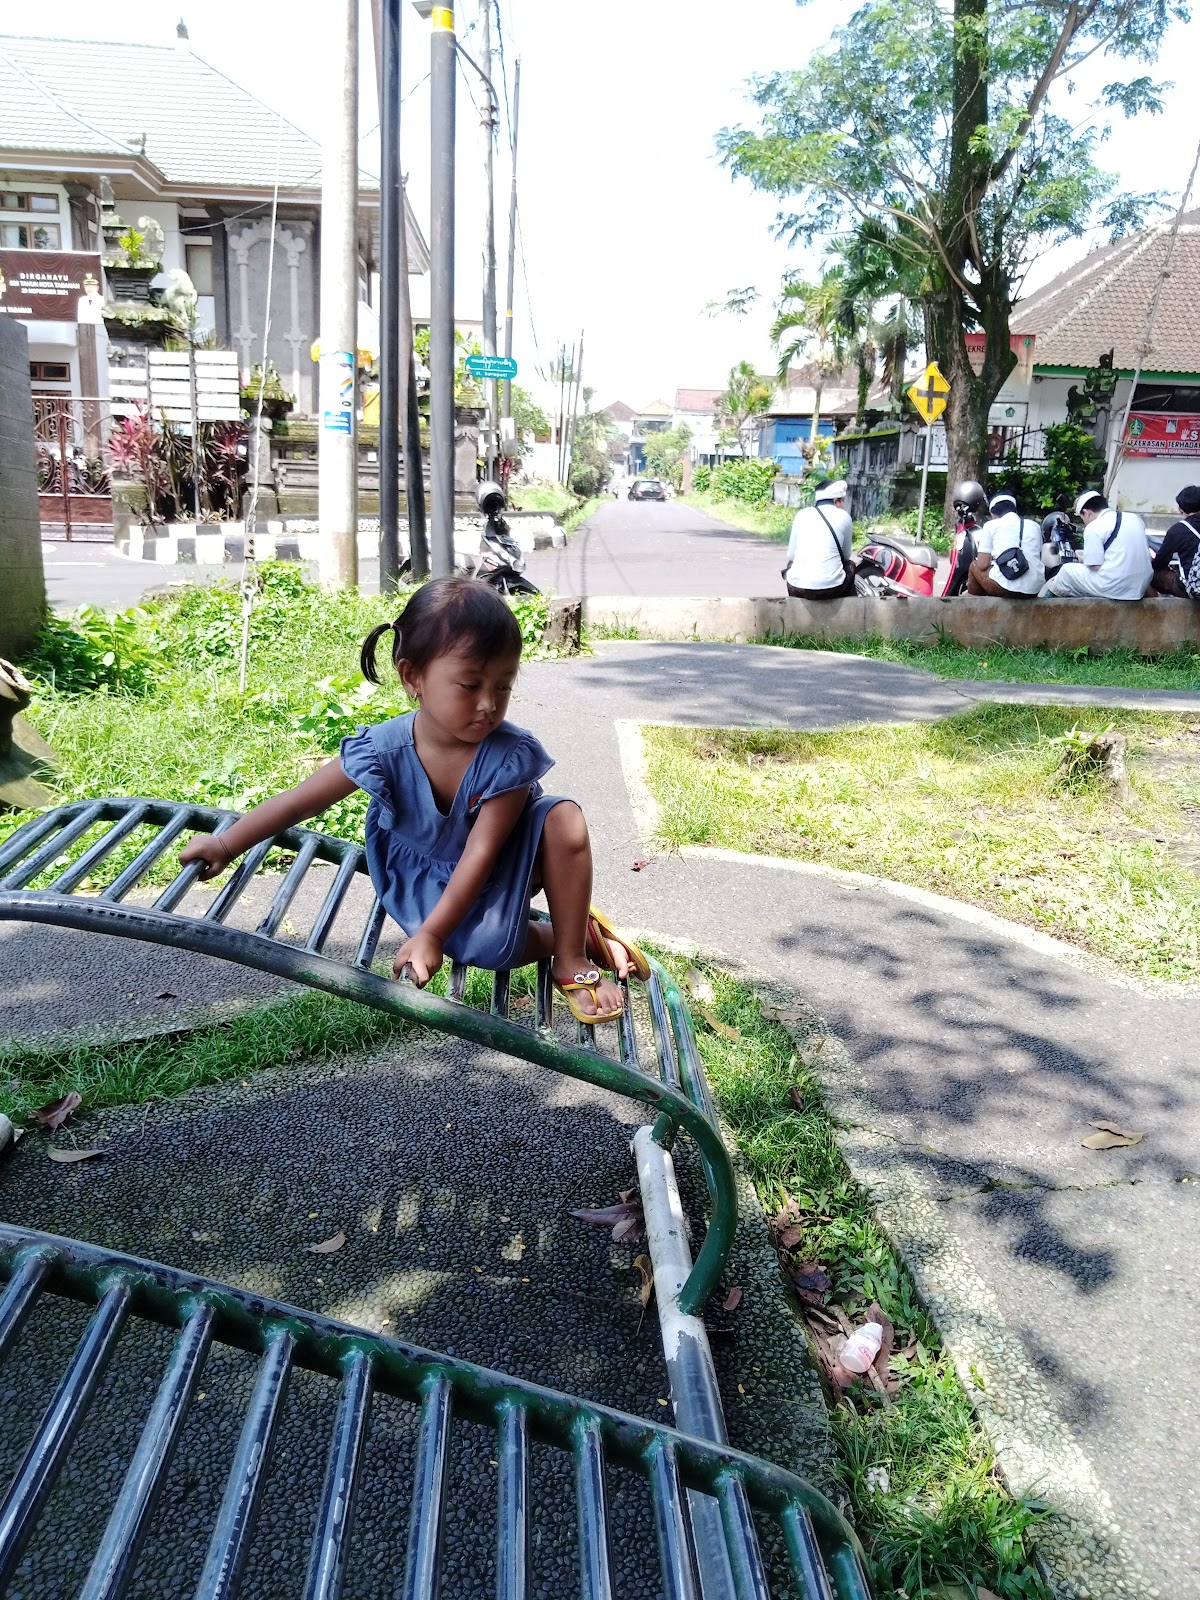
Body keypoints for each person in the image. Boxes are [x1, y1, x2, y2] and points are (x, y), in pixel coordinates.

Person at [178, 577, 648, 1025]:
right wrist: (225, 845)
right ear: (412, 677)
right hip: (425, 871)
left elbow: (482, 853)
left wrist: (432, 934)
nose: (489, 704)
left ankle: (571, 953)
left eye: (503, 686)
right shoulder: (382, 750)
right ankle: (568, 931)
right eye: (469, 686)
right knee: (486, 947)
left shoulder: (509, 756)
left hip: (508, 863)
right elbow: (299, 803)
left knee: (563, 819)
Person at [1040, 490, 1151, 600]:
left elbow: (1094, 566)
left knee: (1066, 571)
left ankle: (1045, 604)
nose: (1084, 522)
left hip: (1116, 586)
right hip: (1141, 584)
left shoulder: (1094, 527)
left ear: (1086, 512)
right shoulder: (1134, 518)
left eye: (1082, 518)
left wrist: (1082, 558)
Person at [783, 478, 855, 599]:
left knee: (791, 565)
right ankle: (848, 609)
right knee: (851, 565)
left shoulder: (802, 515)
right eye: (843, 501)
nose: (844, 505)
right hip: (831, 589)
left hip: (797, 588)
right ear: (836, 501)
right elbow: (846, 556)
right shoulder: (844, 516)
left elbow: (791, 556)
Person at [967, 491, 1045, 598]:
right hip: (1034, 588)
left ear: (993, 514)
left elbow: (982, 564)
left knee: (974, 566)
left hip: (1005, 587)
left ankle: (974, 607)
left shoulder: (991, 525)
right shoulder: (1035, 526)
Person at [1150, 485, 1200, 597]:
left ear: (1181, 509)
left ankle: (1155, 610)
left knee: (1152, 575)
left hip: (1195, 588)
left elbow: (1160, 563)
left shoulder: (1178, 529)